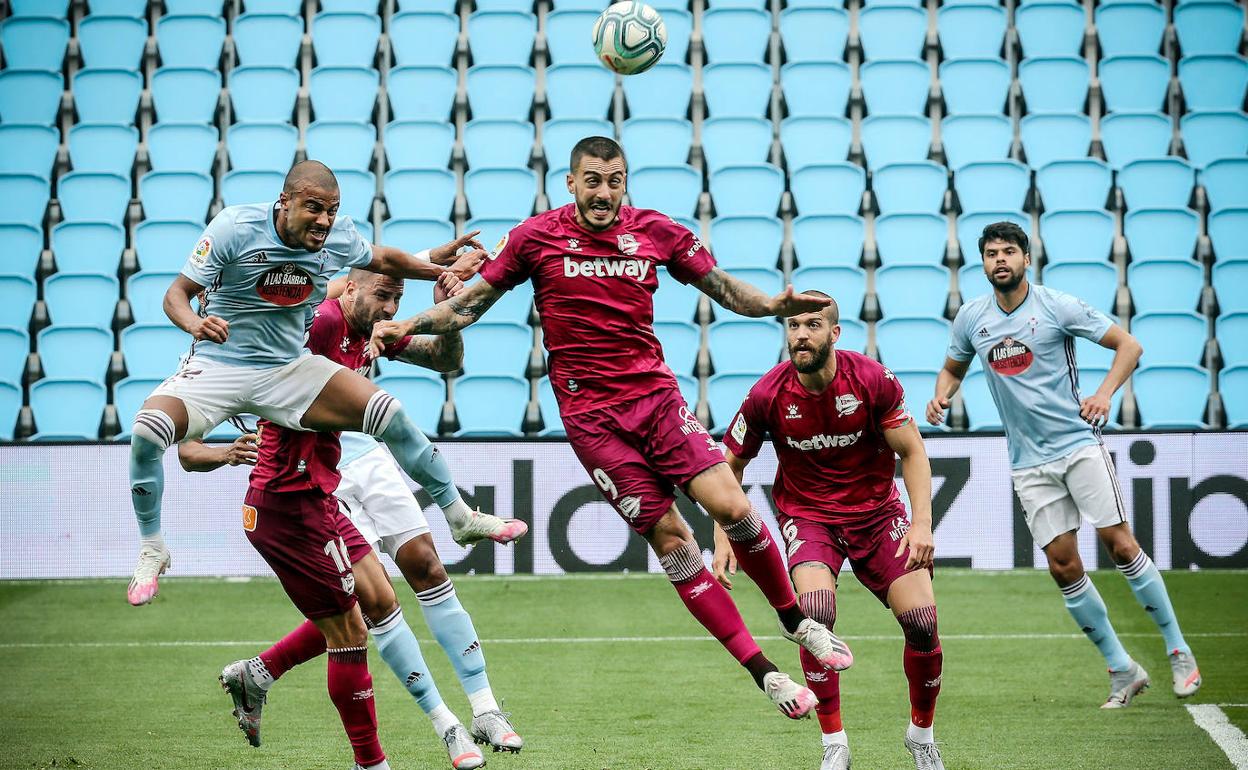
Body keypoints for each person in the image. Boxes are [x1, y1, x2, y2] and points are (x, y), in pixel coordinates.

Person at [372, 136, 853, 721]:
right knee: (673, 541)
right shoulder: (535, 237)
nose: (604, 191)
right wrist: (408, 324)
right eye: (593, 180)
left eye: (615, 179)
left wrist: (772, 307)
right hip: (591, 419)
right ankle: (765, 674)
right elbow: (468, 305)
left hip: (654, 398)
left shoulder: (656, 231)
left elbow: (724, 287)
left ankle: (795, 621)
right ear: (570, 183)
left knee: (732, 506)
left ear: (626, 182)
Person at [127, 160, 519, 607]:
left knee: (387, 412)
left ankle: (459, 516)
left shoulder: (336, 239)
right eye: (314, 208)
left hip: (286, 369)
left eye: (331, 210)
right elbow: (174, 295)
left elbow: (382, 263)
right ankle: (152, 548)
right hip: (220, 365)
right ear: (285, 202)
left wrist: (439, 268)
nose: (324, 220)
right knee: (146, 429)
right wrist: (194, 323)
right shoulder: (234, 227)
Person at [178, 273, 524, 770]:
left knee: (425, 567)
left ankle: (485, 710)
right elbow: (187, 441)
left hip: (365, 456)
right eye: (381, 294)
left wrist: (445, 311)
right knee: (372, 602)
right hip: (318, 484)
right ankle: (446, 727)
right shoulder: (266, 334)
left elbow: (447, 361)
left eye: (394, 297)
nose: (388, 305)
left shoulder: (366, 325)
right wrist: (224, 452)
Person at [926, 221, 1200, 708]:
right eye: (991, 253)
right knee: (1062, 565)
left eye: (1009, 251)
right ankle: (1121, 668)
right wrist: (942, 394)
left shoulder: (1057, 306)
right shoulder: (971, 318)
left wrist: (1103, 393)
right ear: (983, 263)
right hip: (1028, 463)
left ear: (1026, 259)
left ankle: (1178, 649)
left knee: (1120, 545)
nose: (1000, 260)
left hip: (1078, 446)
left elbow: (1129, 346)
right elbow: (954, 365)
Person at [712, 292, 945, 770]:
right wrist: (722, 537)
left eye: (812, 325)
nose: (801, 334)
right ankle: (834, 743)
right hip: (809, 518)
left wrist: (921, 524)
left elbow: (914, 452)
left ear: (833, 334)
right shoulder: (766, 395)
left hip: (879, 516)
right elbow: (726, 465)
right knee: (815, 614)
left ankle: (921, 734)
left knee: (922, 623)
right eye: (793, 326)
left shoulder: (871, 379)